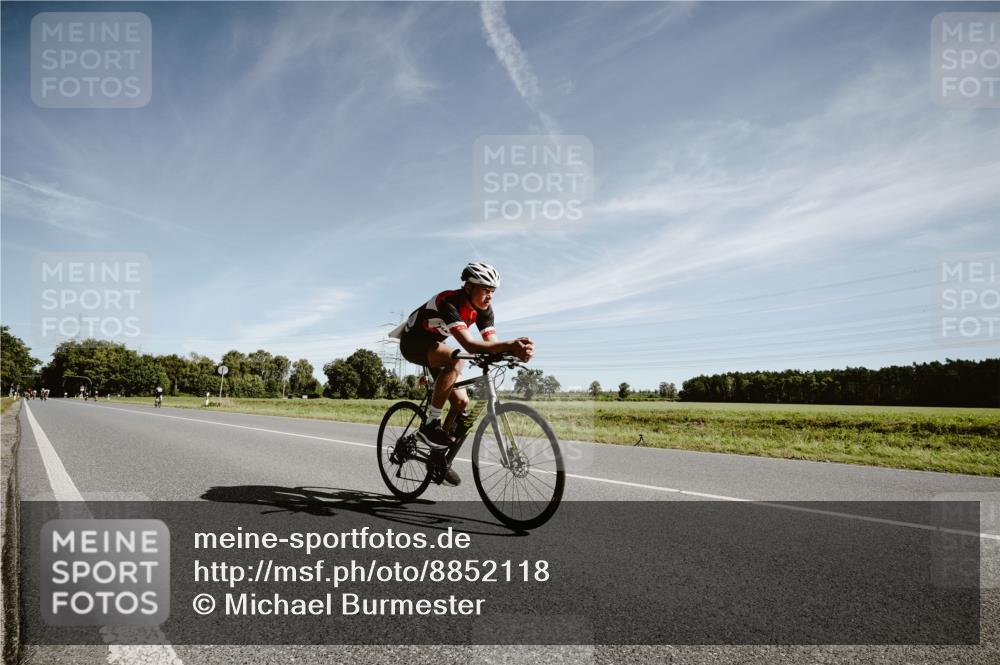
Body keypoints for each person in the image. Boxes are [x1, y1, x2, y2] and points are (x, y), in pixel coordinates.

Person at [393, 262, 533, 486]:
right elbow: (469, 345)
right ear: (468, 287)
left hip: (436, 346)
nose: (490, 298)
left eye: (493, 292)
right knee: (456, 357)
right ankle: (430, 425)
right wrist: (510, 345)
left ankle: (437, 457)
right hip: (414, 343)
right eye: (486, 291)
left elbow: (491, 344)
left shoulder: (484, 310)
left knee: (461, 403)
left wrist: (514, 351)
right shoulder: (449, 301)